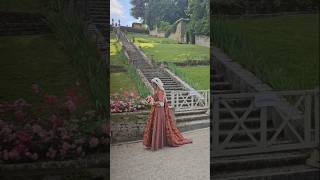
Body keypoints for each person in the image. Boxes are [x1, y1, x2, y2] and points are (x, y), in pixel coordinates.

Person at [143, 78, 192, 151]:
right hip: (156, 110)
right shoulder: (157, 91)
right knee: (157, 126)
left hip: (159, 111)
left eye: (153, 84)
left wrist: (152, 103)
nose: (152, 85)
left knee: (158, 125)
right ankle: (160, 142)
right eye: (152, 84)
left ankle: (158, 143)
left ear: (156, 84)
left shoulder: (160, 92)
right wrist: (150, 99)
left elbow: (162, 104)